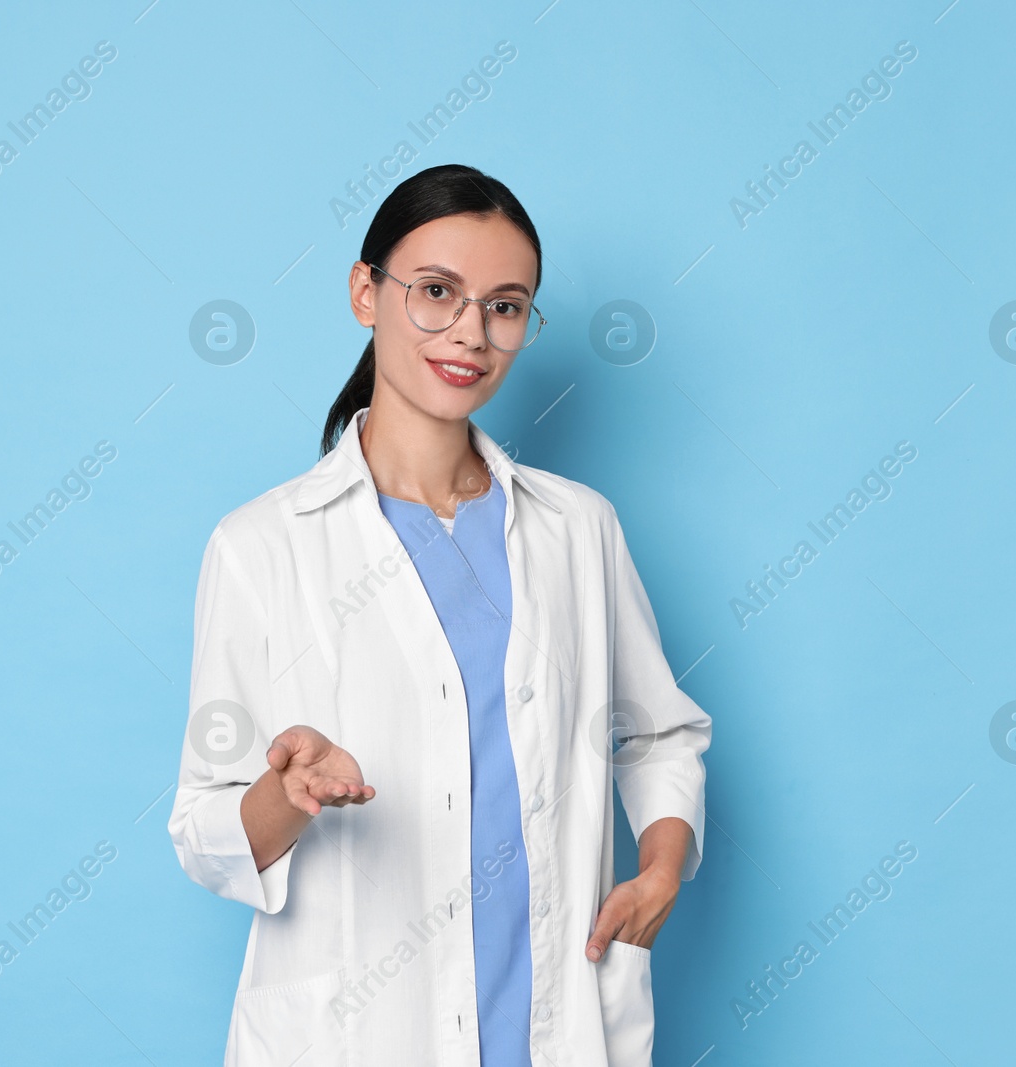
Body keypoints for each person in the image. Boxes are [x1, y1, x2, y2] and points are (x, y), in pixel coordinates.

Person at [169, 163, 711, 1066]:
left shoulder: (578, 529)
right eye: (435, 292)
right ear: (364, 291)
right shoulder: (261, 544)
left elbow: (658, 735)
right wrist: (289, 793)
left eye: (505, 305)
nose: (470, 332)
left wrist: (659, 867)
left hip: (554, 1020)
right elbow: (203, 829)